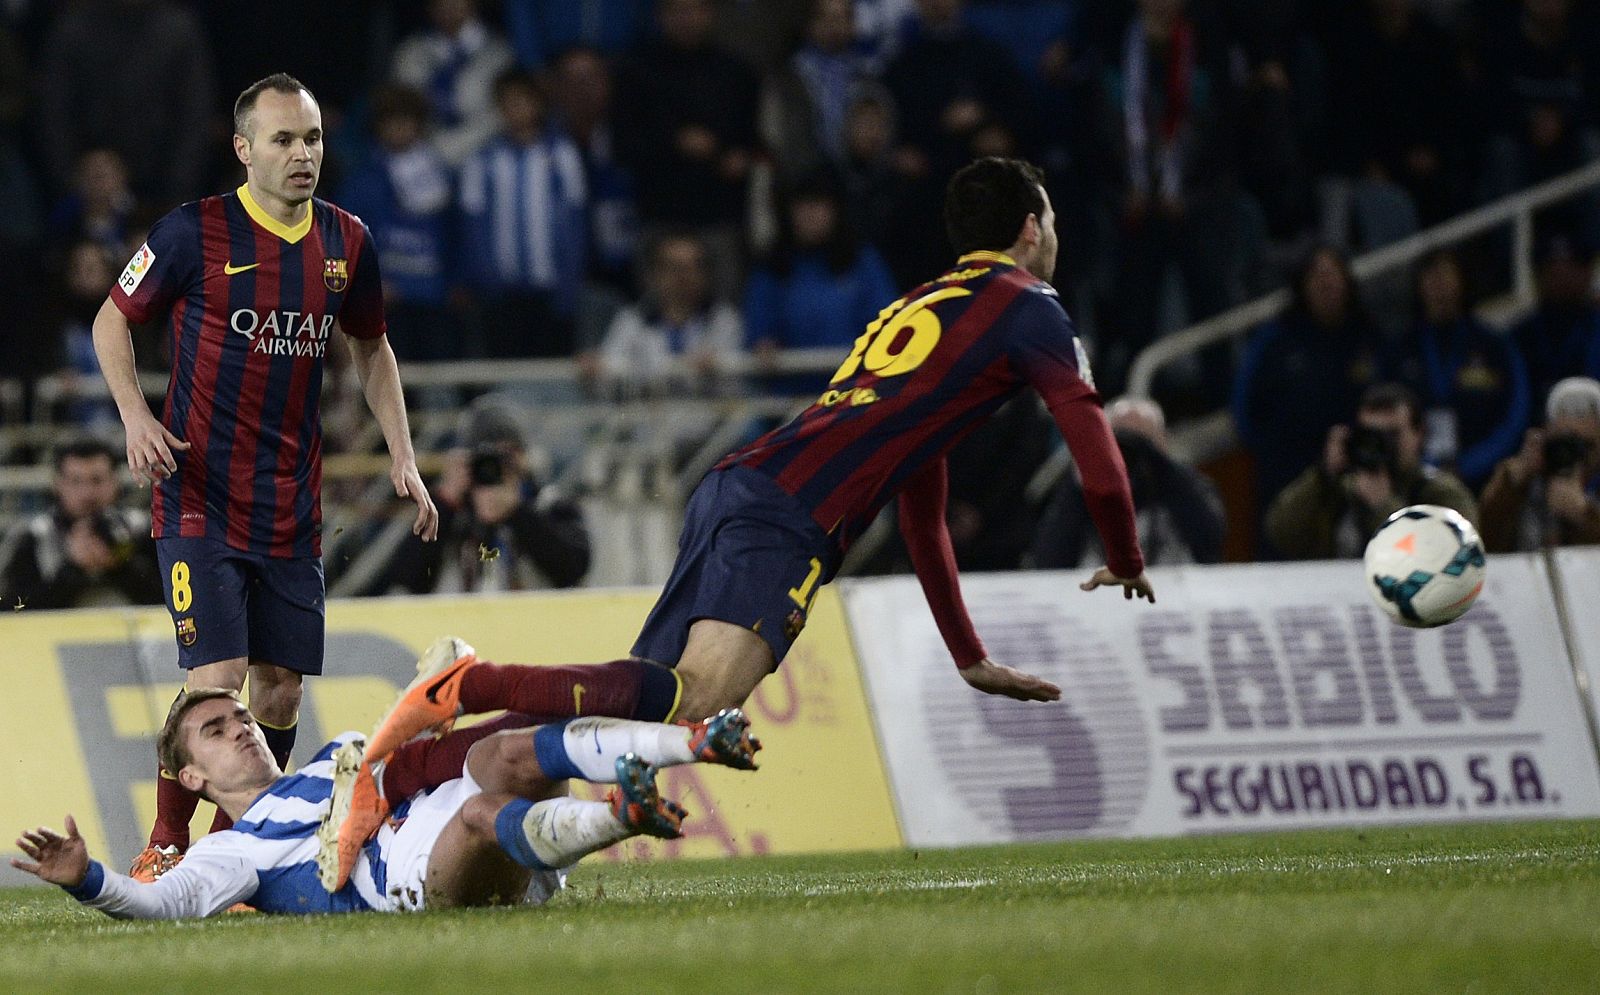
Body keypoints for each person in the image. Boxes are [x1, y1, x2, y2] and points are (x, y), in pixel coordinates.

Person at [634, 155, 1151, 720]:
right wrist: (1125, 555)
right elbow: (1099, 464)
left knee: (658, 692)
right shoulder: (1029, 305)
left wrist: (969, 658)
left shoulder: (914, 308)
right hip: (790, 511)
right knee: (706, 697)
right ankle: (518, 691)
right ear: (1031, 228)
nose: (1054, 237)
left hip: (738, 480)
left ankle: (529, 751)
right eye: (1050, 222)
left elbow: (922, 522)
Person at [90, 74, 440, 880]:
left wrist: (403, 455)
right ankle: (167, 844)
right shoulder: (191, 233)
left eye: (312, 138)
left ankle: (235, 848)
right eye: (282, 140)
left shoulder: (346, 242)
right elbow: (114, 318)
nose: (302, 155)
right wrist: (136, 419)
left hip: (290, 503)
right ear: (244, 149)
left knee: (277, 692)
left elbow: (371, 346)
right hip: (197, 494)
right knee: (214, 681)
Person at [11, 638, 763, 917]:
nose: (242, 727)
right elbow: (158, 901)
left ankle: (696, 738)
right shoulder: (231, 851)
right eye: (217, 731)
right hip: (404, 877)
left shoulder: (334, 755)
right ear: (193, 779)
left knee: (509, 752)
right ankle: (621, 816)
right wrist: (86, 879)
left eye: (240, 717)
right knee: (479, 811)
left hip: (443, 821)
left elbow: (422, 770)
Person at [1233, 245, 1385, 522]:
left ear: (1346, 280)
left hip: (1358, 477)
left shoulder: (1370, 335)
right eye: (1316, 276)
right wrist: (1272, 453)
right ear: (1302, 285)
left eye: (1332, 274)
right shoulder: (1275, 339)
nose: (1325, 283)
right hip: (1287, 478)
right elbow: (1244, 410)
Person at [371, 402, 591, 594]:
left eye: (504, 457)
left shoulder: (550, 505)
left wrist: (518, 512)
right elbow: (408, 580)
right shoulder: (453, 515)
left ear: (523, 458)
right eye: (483, 460)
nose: (493, 468)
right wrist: (445, 502)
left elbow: (574, 569)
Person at [1266, 382, 1479, 560]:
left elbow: (1451, 558)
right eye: (1372, 435)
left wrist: (1384, 507)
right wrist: (1322, 475)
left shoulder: (1441, 493)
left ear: (1419, 434)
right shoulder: (1340, 488)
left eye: (1393, 435)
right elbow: (1281, 533)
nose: (1382, 445)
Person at [459, 69, 588, 358]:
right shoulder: (483, 159)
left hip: (550, 285)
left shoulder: (562, 155)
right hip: (502, 290)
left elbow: (574, 223)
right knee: (505, 367)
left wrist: (569, 281)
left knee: (550, 367)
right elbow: (473, 226)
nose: (516, 109)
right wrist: (485, 281)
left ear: (538, 105)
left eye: (523, 101)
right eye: (508, 102)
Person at [1034, 397, 1225, 568]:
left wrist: (1160, 465)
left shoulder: (1187, 486)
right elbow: (1049, 559)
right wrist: (1080, 484)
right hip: (1096, 600)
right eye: (1119, 442)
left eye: (1144, 440)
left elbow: (1210, 541)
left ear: (1163, 443)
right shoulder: (1082, 490)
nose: (1130, 454)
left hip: (1173, 598)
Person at [1402, 249, 1530, 491]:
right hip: (1414, 482)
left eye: (1446, 276)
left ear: (1462, 281)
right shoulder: (1400, 349)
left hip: (1485, 479)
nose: (1439, 286)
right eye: (1431, 277)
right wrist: (1424, 466)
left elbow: (1516, 414)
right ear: (1419, 286)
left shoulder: (1494, 345)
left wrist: (1470, 465)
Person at [0, 438, 162, 610]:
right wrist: (72, 569)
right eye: (75, 481)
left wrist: (122, 562)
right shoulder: (32, 537)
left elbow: (171, 600)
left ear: (115, 482)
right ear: (58, 484)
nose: (87, 493)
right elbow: (12, 611)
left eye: (97, 480)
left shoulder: (144, 530)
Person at [594, 231, 746, 399]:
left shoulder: (724, 320)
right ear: (654, 274)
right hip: (647, 420)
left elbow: (738, 386)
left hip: (708, 422)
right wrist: (593, 371)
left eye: (692, 267)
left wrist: (715, 369)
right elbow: (607, 379)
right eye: (674, 267)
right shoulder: (633, 319)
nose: (683, 277)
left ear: (706, 274)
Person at [1479, 376, 1600, 552]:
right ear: (1547, 432)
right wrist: (1512, 483)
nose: (1576, 456)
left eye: (1586, 446)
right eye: (1566, 443)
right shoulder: (1523, 479)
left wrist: (1585, 517)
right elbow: (1485, 542)